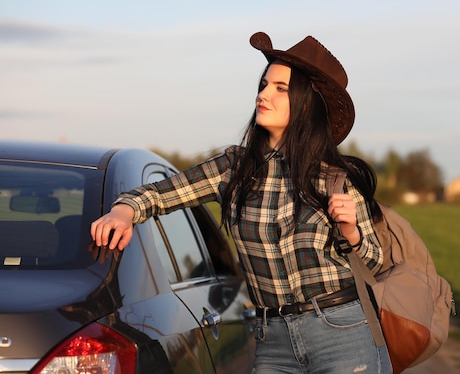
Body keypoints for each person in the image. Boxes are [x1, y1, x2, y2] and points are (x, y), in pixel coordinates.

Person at [91, 31, 393, 374]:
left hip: (343, 333)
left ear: (306, 104)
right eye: (263, 85)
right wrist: (124, 210)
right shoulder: (233, 168)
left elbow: (377, 262)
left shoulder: (335, 178)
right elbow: (161, 193)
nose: (263, 95)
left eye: (280, 88)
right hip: (273, 338)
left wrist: (351, 231)